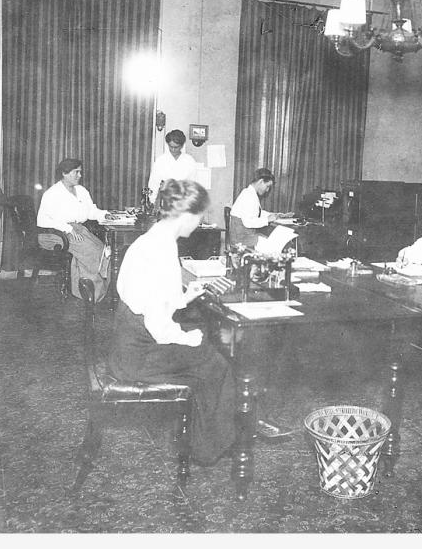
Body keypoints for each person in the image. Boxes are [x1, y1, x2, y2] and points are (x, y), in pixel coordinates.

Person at [108, 179, 235, 464]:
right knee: (218, 363)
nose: (201, 220)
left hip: (126, 345)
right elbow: (159, 326)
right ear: (187, 215)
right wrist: (187, 338)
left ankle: (202, 437)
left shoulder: (149, 239)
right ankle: (212, 448)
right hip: (138, 357)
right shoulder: (163, 251)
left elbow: (148, 299)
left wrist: (184, 297)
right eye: (200, 214)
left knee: (203, 345)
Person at [37, 158, 113, 302]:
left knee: (102, 249)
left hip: (77, 230)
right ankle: (91, 292)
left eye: (80, 172)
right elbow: (43, 221)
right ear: (64, 174)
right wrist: (67, 228)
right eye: (76, 172)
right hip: (54, 233)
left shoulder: (81, 190)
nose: (80, 175)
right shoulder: (52, 193)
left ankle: (93, 290)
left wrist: (104, 214)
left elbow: (91, 211)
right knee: (91, 251)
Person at [229, 168, 292, 248]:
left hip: (244, 236)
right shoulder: (249, 196)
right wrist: (267, 219)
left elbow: (256, 212)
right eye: (267, 186)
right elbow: (248, 222)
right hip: (242, 240)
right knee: (275, 244)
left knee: (270, 240)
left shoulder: (249, 192)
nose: (267, 190)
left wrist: (273, 215)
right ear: (261, 181)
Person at [147, 130, 199, 205]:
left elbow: (193, 184)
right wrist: (152, 202)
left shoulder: (189, 161)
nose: (173, 150)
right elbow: (153, 184)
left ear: (182, 146)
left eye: (176, 147)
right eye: (171, 147)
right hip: (164, 202)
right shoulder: (161, 161)